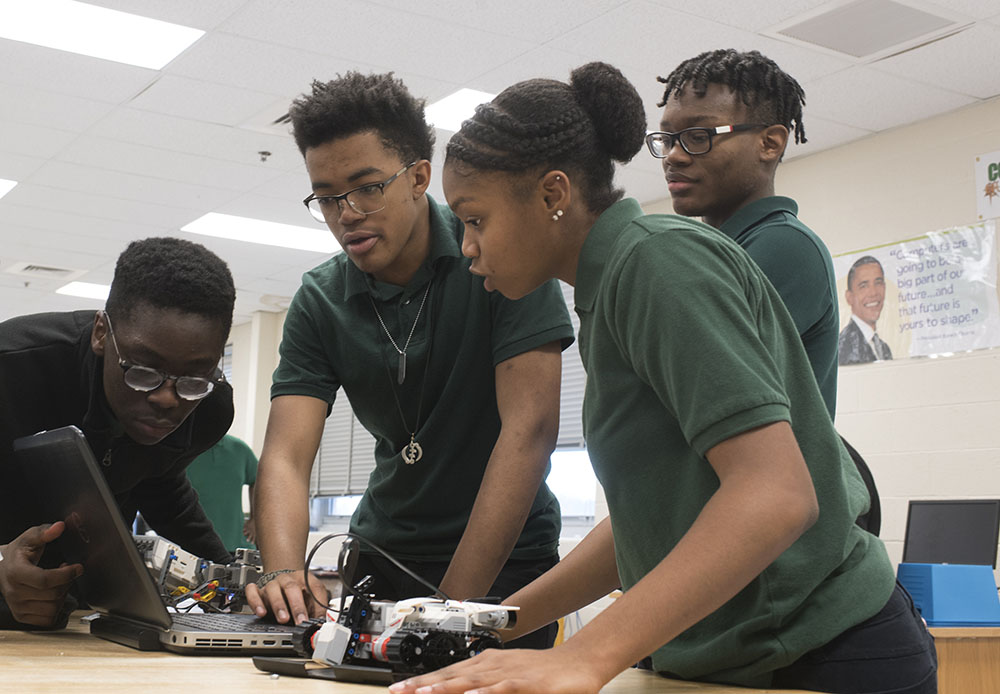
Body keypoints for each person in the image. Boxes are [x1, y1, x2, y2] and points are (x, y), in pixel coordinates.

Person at [392, 62, 936, 694]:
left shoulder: (655, 263)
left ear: (552, 195)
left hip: (824, 649)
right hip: (740, 650)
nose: (466, 246)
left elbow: (776, 495)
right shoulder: (611, 285)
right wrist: (488, 621)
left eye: (476, 219)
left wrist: (585, 657)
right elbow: (651, 523)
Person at [244, 72, 574, 650]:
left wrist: (449, 610)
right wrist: (281, 573)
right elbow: (286, 457)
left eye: (366, 187)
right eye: (325, 196)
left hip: (506, 563)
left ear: (419, 176)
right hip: (383, 556)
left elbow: (530, 433)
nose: (346, 213)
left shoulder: (504, 260)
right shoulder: (320, 299)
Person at [0, 237, 237, 630]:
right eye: (143, 372)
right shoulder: (12, 369)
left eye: (194, 380)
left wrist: (234, 582)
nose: (167, 399)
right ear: (100, 333)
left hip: (68, 612)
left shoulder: (209, 408)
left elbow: (158, 481)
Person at [651, 48, 839, 419]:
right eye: (669, 139)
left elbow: (695, 385)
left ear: (770, 143)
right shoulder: (714, 252)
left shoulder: (784, 246)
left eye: (699, 135)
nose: (674, 156)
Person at [185, 434, 259, 554]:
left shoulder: (239, 448)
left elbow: (258, 480)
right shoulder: (184, 448)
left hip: (234, 544)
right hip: (190, 545)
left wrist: (255, 519)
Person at [839, 255, 893, 365]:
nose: (873, 293)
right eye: (863, 286)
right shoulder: (844, 346)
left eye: (878, 283)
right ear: (849, 297)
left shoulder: (884, 347)